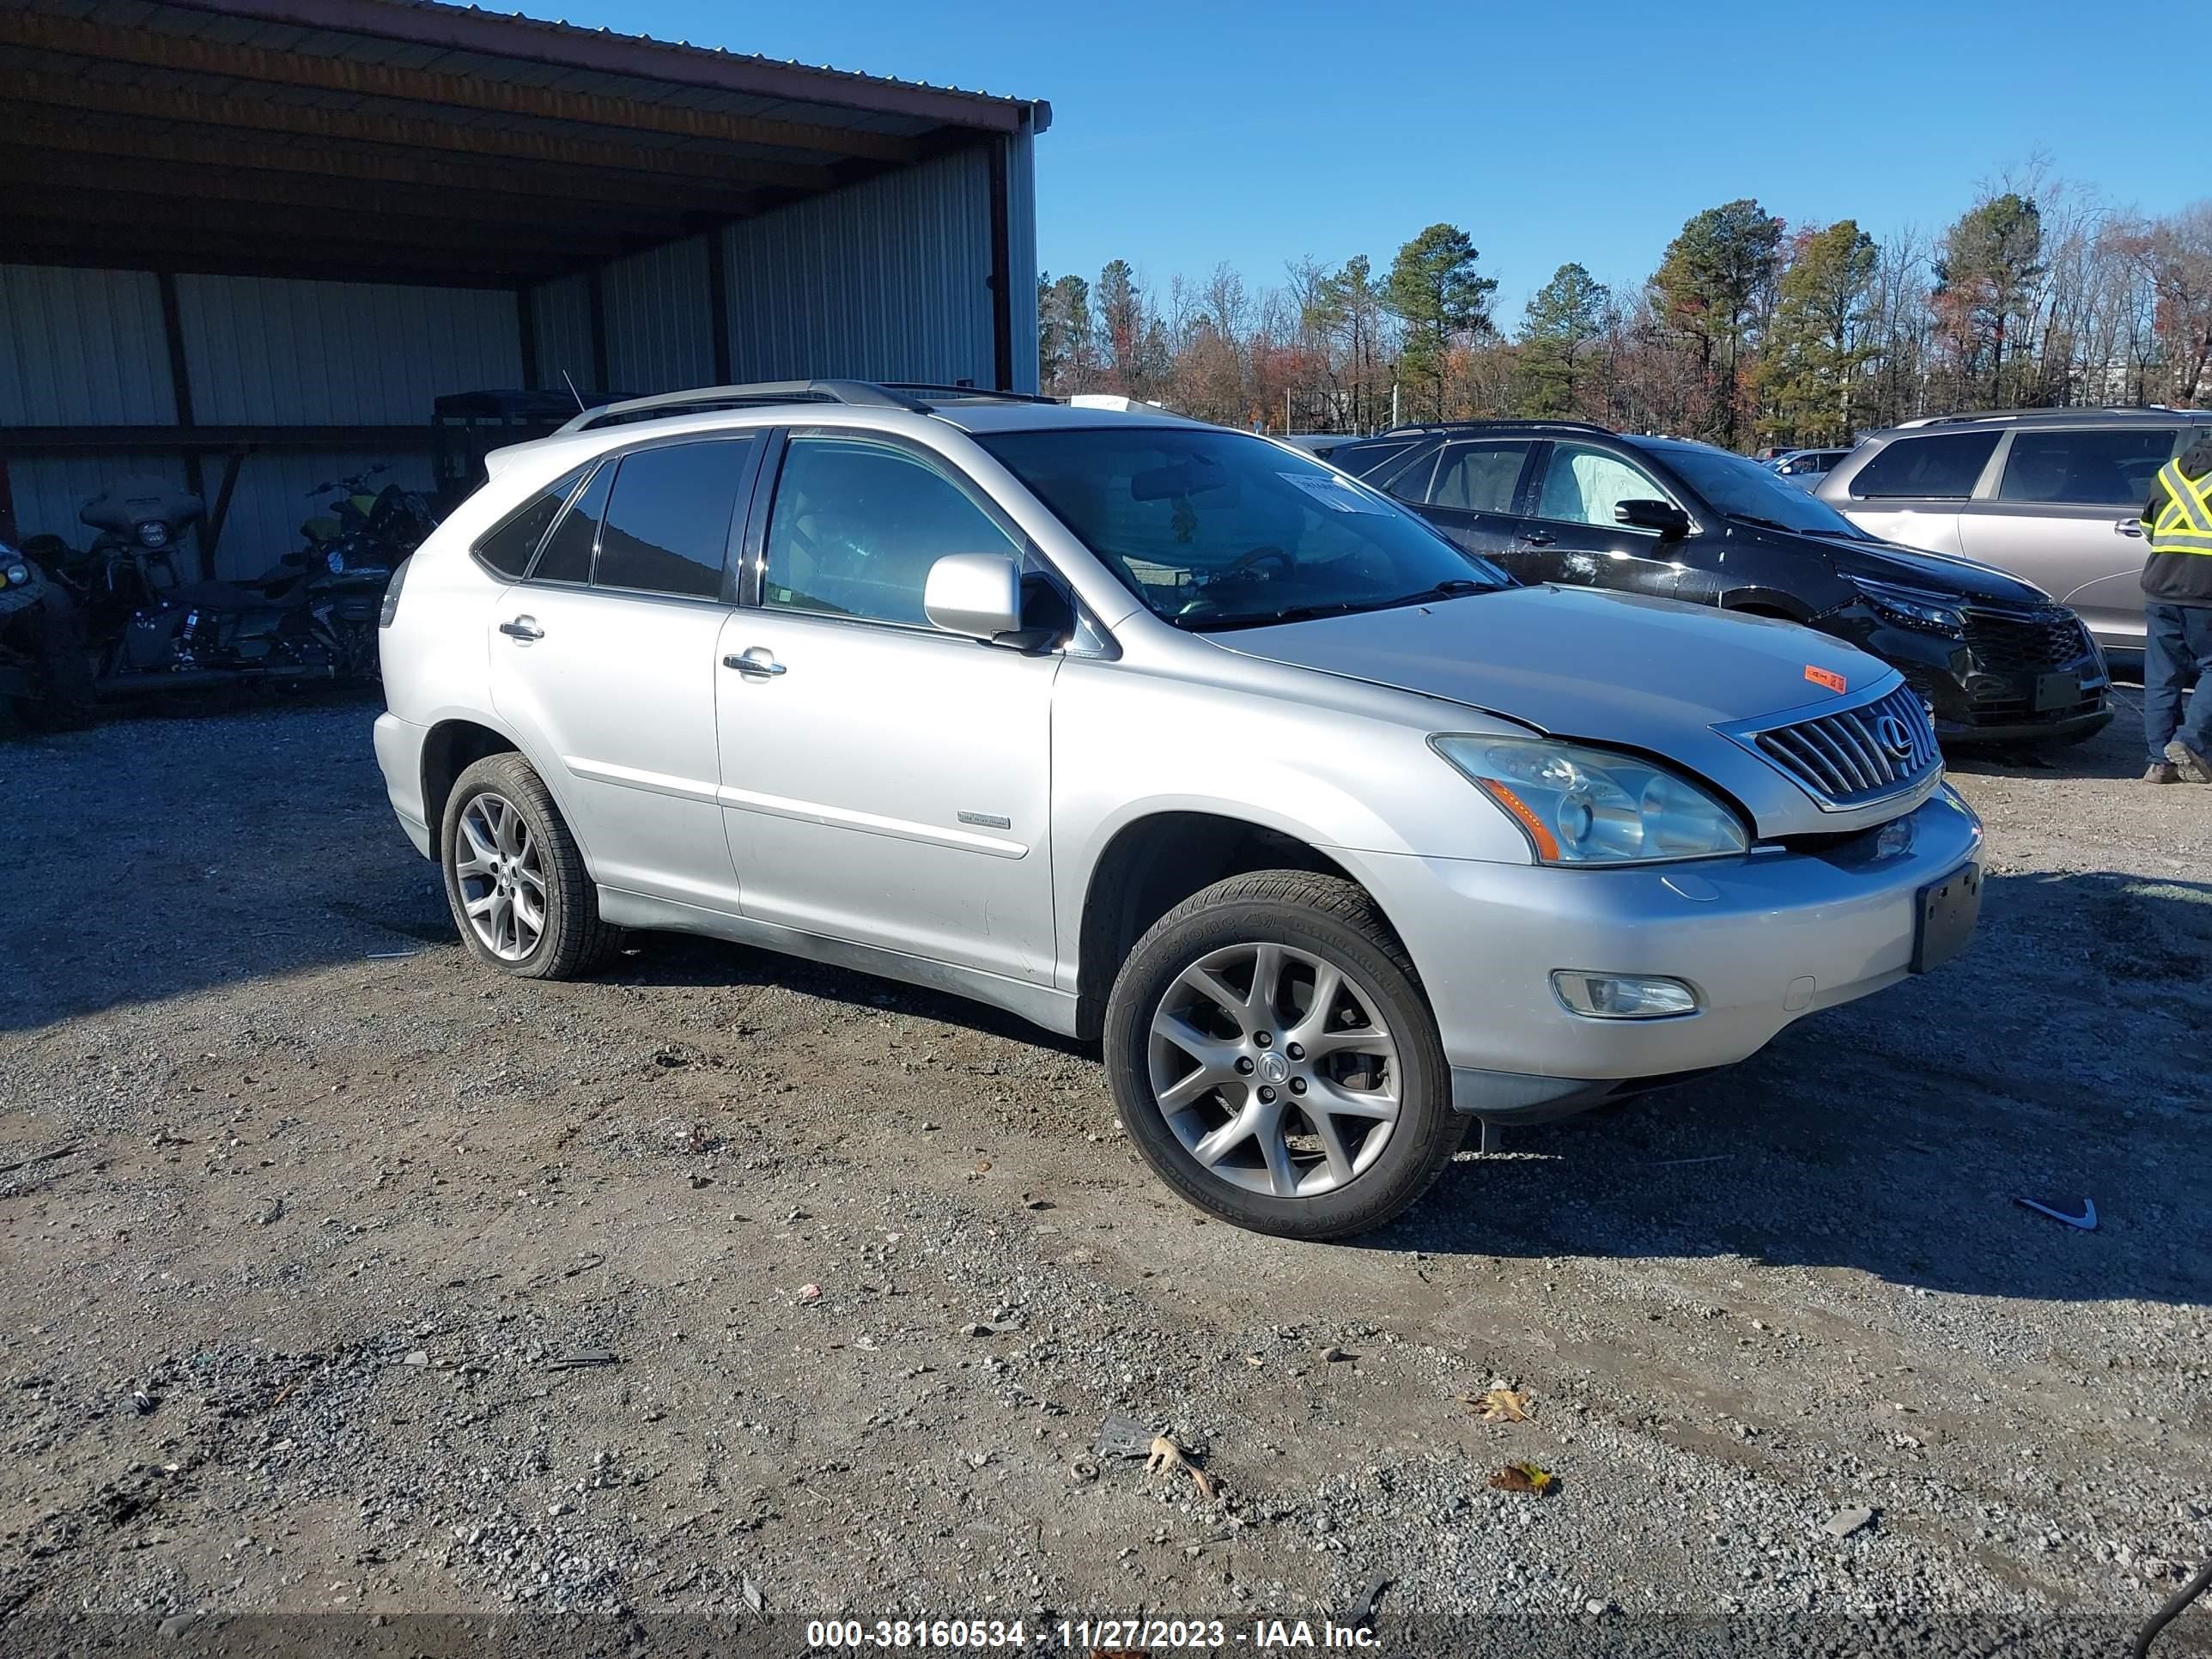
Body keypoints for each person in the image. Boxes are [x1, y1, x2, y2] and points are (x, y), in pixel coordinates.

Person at [2141, 434, 2212, 783]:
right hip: (2207, 592)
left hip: (2162, 587)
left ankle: (2159, 763)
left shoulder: (2168, 473)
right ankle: (2190, 741)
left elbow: (2148, 528)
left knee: (2162, 676)